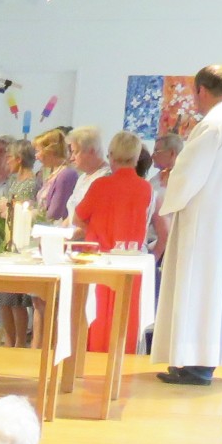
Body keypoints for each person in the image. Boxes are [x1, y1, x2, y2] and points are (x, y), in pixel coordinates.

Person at [154, 66, 222, 385]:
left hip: (205, 226)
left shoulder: (213, 125)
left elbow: (187, 173)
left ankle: (194, 363)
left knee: (198, 291)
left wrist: (169, 196)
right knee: (215, 295)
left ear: (201, 90)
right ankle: (202, 361)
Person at [68, 129, 152, 353]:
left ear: (111, 156)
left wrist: (94, 229)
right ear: (136, 157)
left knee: (100, 316)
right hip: (132, 261)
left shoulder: (100, 185)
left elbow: (78, 217)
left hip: (101, 259)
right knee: (127, 315)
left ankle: (95, 358)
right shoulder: (145, 188)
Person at [62, 125, 108, 223]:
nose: (72, 158)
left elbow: (98, 220)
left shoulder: (105, 177)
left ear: (91, 151)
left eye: (75, 152)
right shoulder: (83, 177)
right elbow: (71, 215)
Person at [32, 127, 78, 223]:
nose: (36, 156)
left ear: (50, 151)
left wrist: (31, 215)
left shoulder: (66, 174)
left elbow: (55, 213)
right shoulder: (53, 173)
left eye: (38, 151)